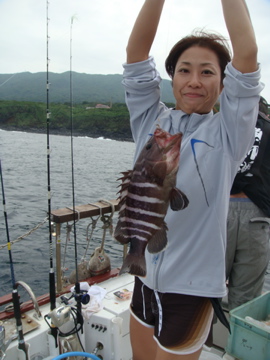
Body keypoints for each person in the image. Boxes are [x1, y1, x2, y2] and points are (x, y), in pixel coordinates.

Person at [122, 1, 263, 359]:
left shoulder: (229, 133)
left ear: (223, 81)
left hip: (192, 290)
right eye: (185, 70)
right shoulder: (150, 122)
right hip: (142, 278)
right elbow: (135, 53)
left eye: (207, 72)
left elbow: (246, 54)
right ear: (172, 77)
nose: (194, 81)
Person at [226, 96, 270, 311]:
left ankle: (195, 344)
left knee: (204, 290)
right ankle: (237, 343)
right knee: (245, 299)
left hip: (219, 213)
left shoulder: (223, 127)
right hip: (257, 216)